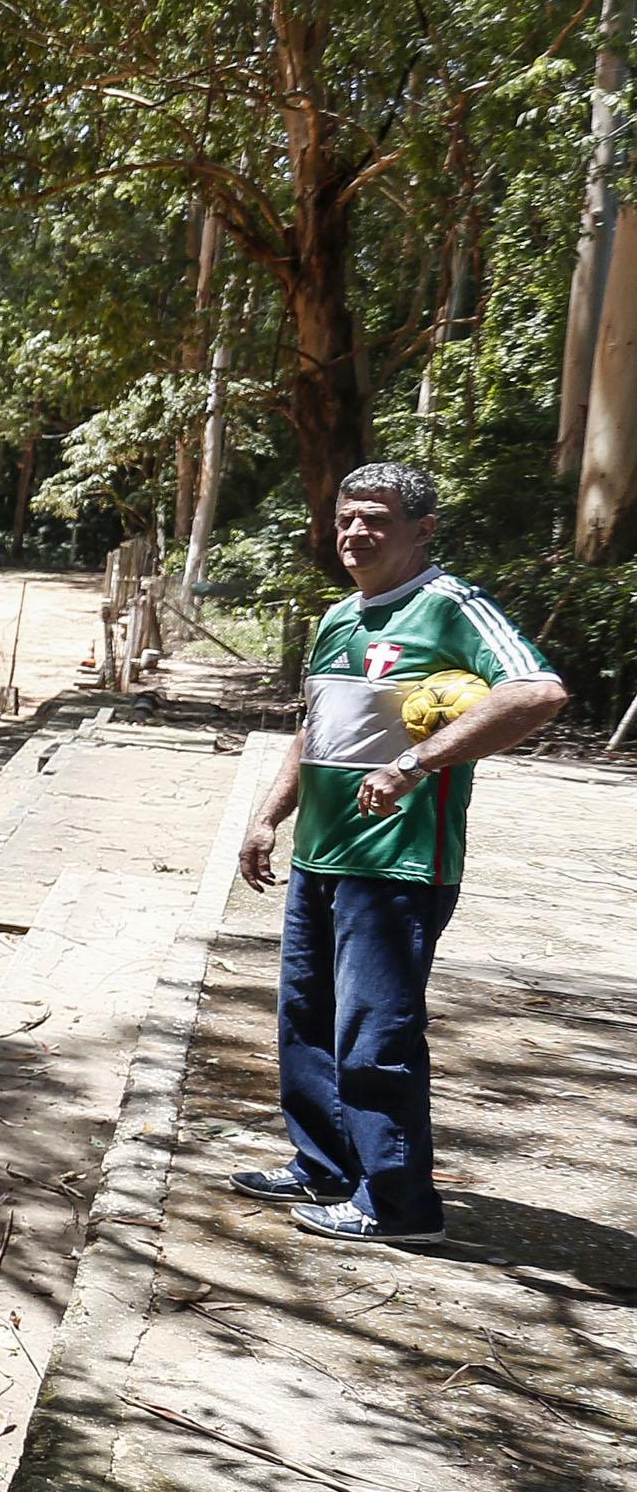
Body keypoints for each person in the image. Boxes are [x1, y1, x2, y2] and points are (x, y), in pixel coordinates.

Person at [231, 463, 565, 1242]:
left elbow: (536, 692)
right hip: (321, 855)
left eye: (375, 519)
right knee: (305, 1022)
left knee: (374, 1035)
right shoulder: (338, 616)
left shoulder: (450, 605)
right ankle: (324, 1167)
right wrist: (266, 816)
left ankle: (399, 1207)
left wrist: (416, 763)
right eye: (346, 518)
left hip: (396, 863)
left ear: (422, 530)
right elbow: (315, 729)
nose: (355, 533)